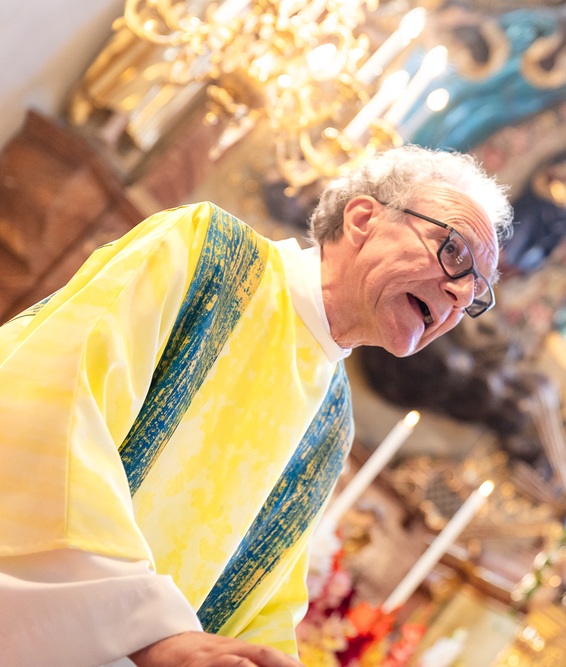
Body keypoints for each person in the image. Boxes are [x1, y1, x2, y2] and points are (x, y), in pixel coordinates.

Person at [0, 146, 512, 667]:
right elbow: (48, 411)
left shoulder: (331, 419)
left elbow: (262, 599)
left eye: (476, 293)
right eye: (454, 252)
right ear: (363, 220)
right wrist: (150, 632)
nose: (459, 294)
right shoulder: (208, 254)